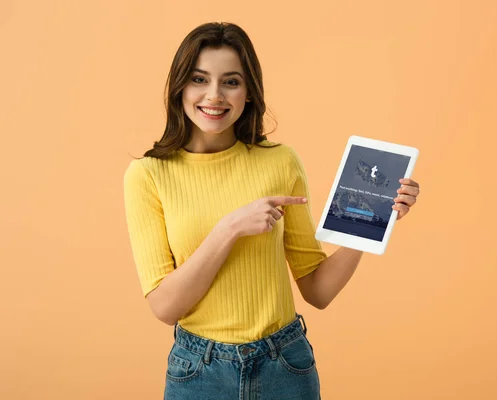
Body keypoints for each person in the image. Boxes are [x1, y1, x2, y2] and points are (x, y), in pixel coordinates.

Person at [123, 22, 420, 400]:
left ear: (248, 93)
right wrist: (228, 228)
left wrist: (373, 222)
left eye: (231, 81)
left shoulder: (280, 162)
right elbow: (165, 307)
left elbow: (318, 289)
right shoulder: (148, 175)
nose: (214, 96)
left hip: (285, 365)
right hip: (199, 371)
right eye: (200, 79)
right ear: (180, 86)